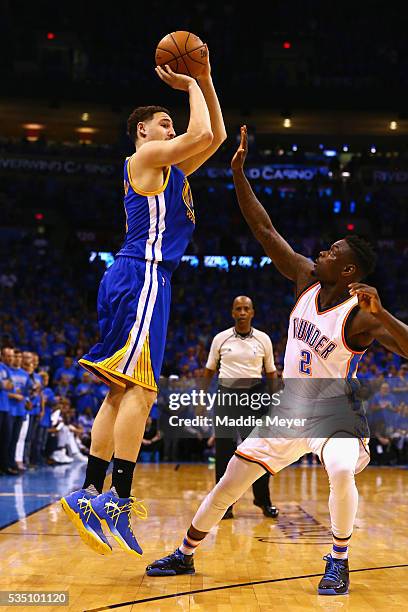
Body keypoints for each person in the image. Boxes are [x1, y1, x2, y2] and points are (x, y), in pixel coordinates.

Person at [146, 126, 408, 596]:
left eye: (332, 253)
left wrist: (384, 312)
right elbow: (265, 230)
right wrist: (239, 173)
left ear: (347, 270)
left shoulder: (361, 316)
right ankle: (184, 554)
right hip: (289, 407)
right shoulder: (306, 280)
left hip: (334, 410)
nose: (321, 253)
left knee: (343, 470)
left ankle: (339, 561)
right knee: (230, 480)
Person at [60, 47, 226, 557]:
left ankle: (92, 492)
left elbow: (213, 136)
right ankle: (119, 497)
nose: (170, 126)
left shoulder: (174, 171)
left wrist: (206, 77)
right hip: (143, 277)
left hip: (141, 279)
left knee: (118, 392)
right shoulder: (146, 157)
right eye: (162, 121)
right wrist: (189, 85)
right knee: (142, 390)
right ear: (142, 132)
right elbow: (198, 133)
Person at [204, 295, 279, 519]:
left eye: (246, 308)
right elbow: (209, 370)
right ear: (233, 313)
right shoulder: (220, 338)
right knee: (224, 453)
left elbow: (271, 373)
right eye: (238, 309)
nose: (243, 312)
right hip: (226, 397)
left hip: (255, 398)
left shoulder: (264, 339)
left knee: (258, 453)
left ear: (252, 312)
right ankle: (224, 505)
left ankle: (263, 500)